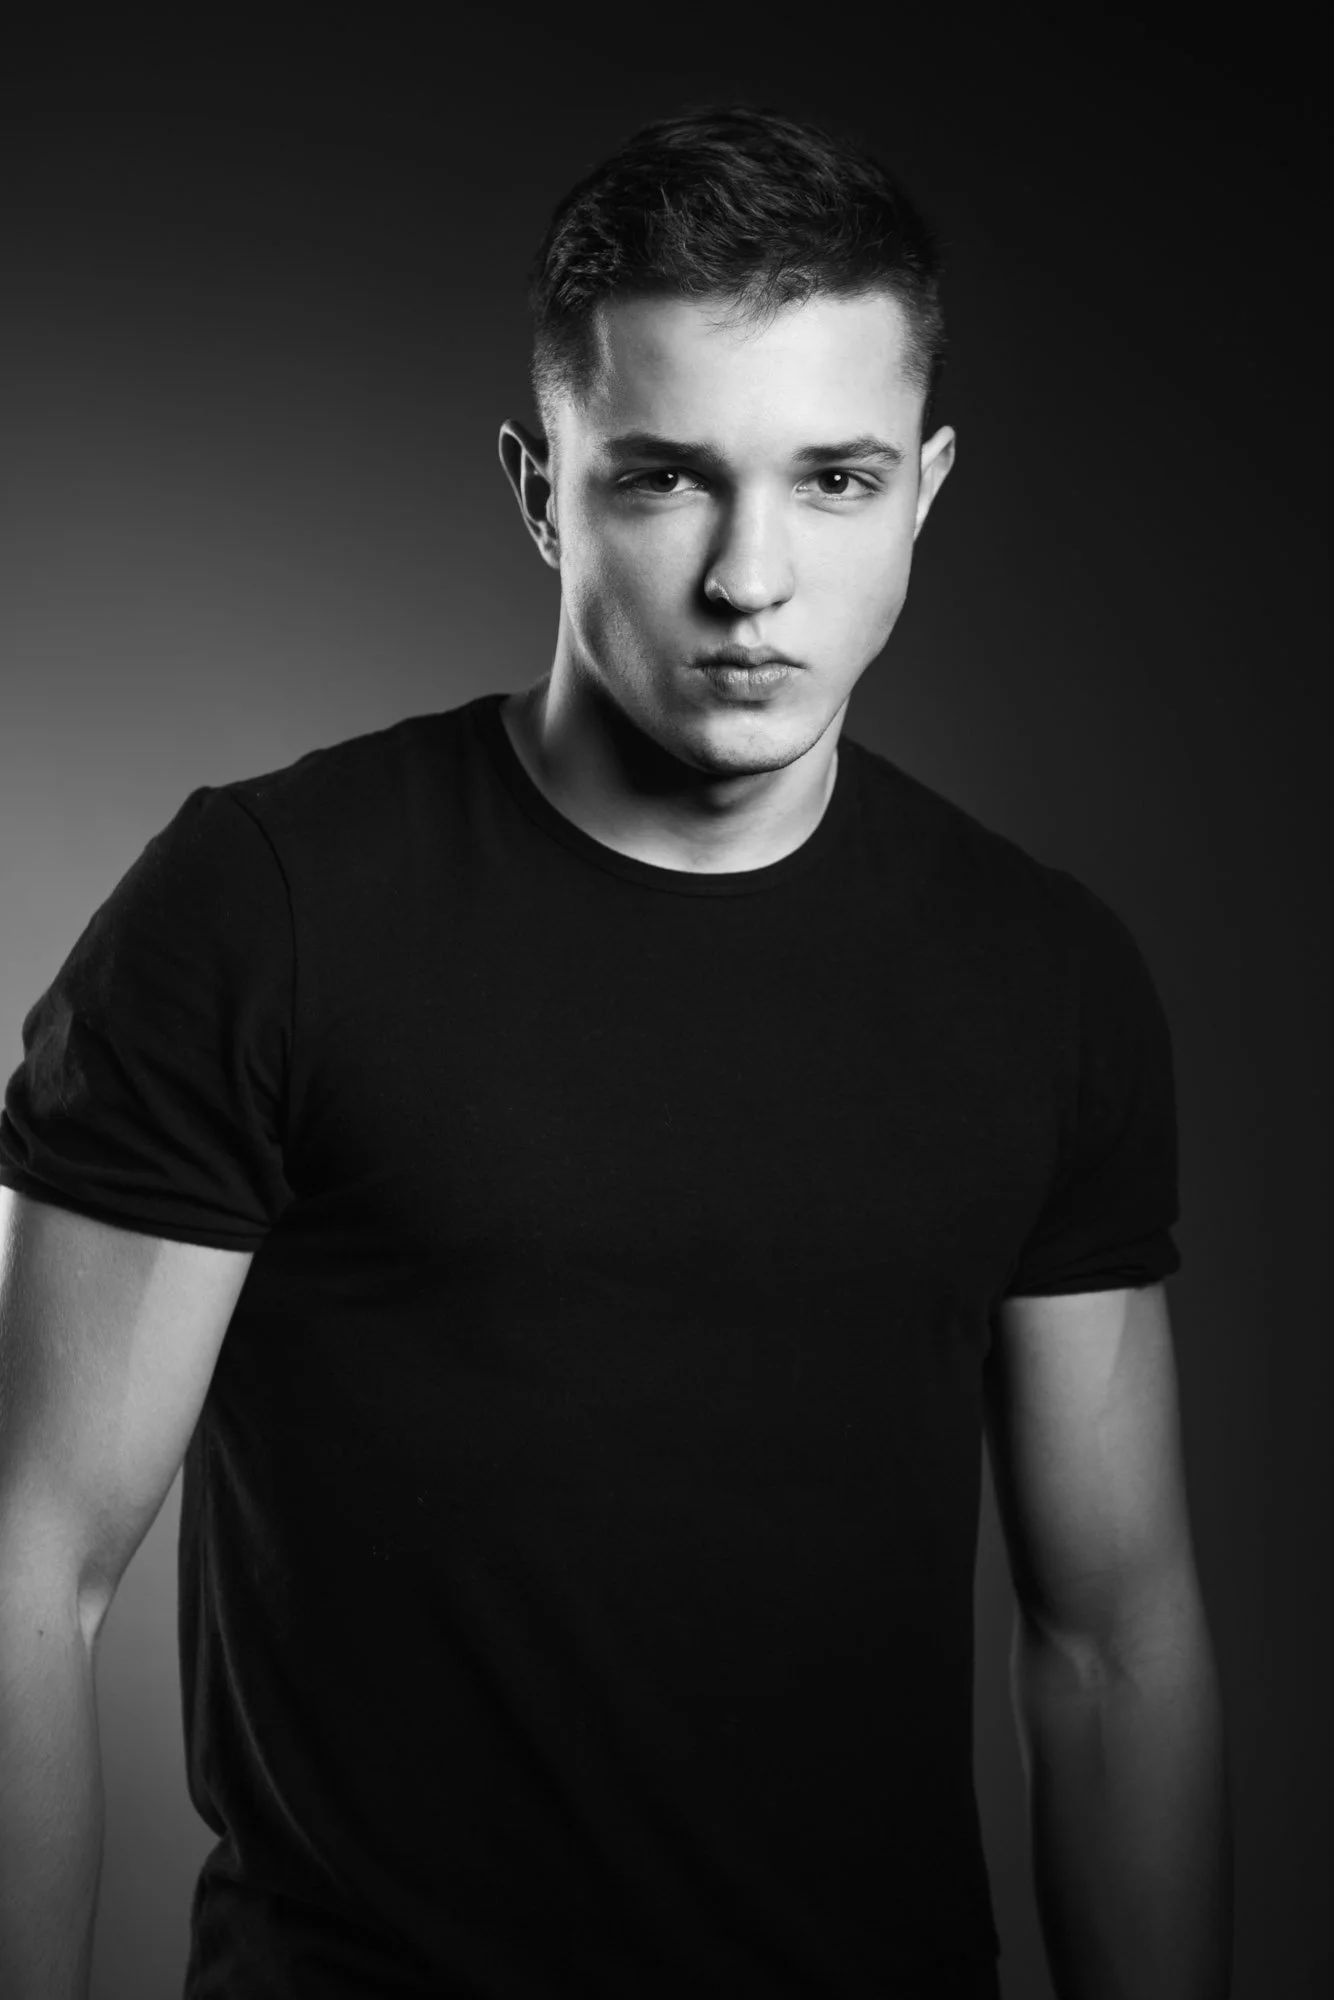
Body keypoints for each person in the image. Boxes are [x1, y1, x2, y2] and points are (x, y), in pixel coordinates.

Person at [0, 103, 1233, 2000]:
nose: (751, 581)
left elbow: (1112, 1640)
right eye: (663, 480)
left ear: (924, 487)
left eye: (832, 479)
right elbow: (29, 1559)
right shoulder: (267, 904)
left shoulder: (1042, 973)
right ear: (537, 487)